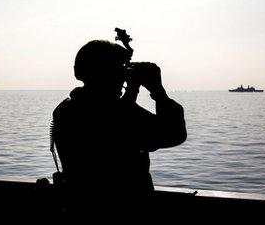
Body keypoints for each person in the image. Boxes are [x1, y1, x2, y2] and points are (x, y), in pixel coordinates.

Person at [50, 40, 187, 220]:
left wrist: (131, 92)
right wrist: (158, 91)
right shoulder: (119, 113)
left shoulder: (65, 110)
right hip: (124, 214)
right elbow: (173, 133)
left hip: (81, 210)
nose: (124, 75)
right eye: (120, 69)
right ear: (108, 73)